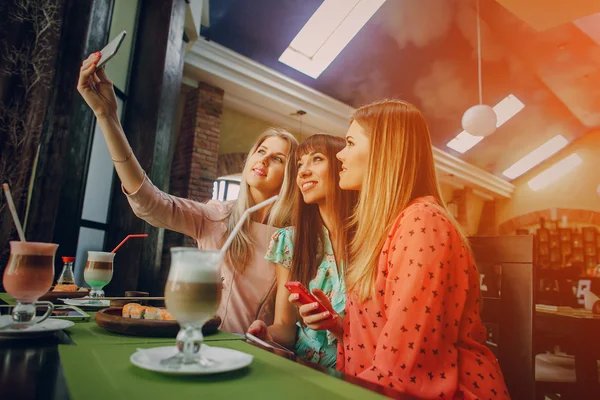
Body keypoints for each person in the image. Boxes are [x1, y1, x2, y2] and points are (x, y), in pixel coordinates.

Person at [294, 100, 510, 399]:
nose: (340, 154)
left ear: (384, 152)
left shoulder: (422, 223)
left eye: (351, 143)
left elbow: (407, 367)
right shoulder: (385, 228)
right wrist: (339, 325)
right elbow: (396, 335)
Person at [77, 52, 299, 333]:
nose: (263, 160)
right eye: (261, 151)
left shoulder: (291, 239)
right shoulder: (216, 216)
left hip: (254, 352)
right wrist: (107, 117)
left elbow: (288, 324)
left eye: (278, 159)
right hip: (202, 340)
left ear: (290, 176)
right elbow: (150, 202)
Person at [247, 134, 357, 367]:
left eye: (316, 159)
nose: (303, 172)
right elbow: (285, 328)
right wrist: (266, 334)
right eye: (299, 165)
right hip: (302, 370)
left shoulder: (372, 241)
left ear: (343, 167)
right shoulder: (289, 241)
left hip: (359, 375)